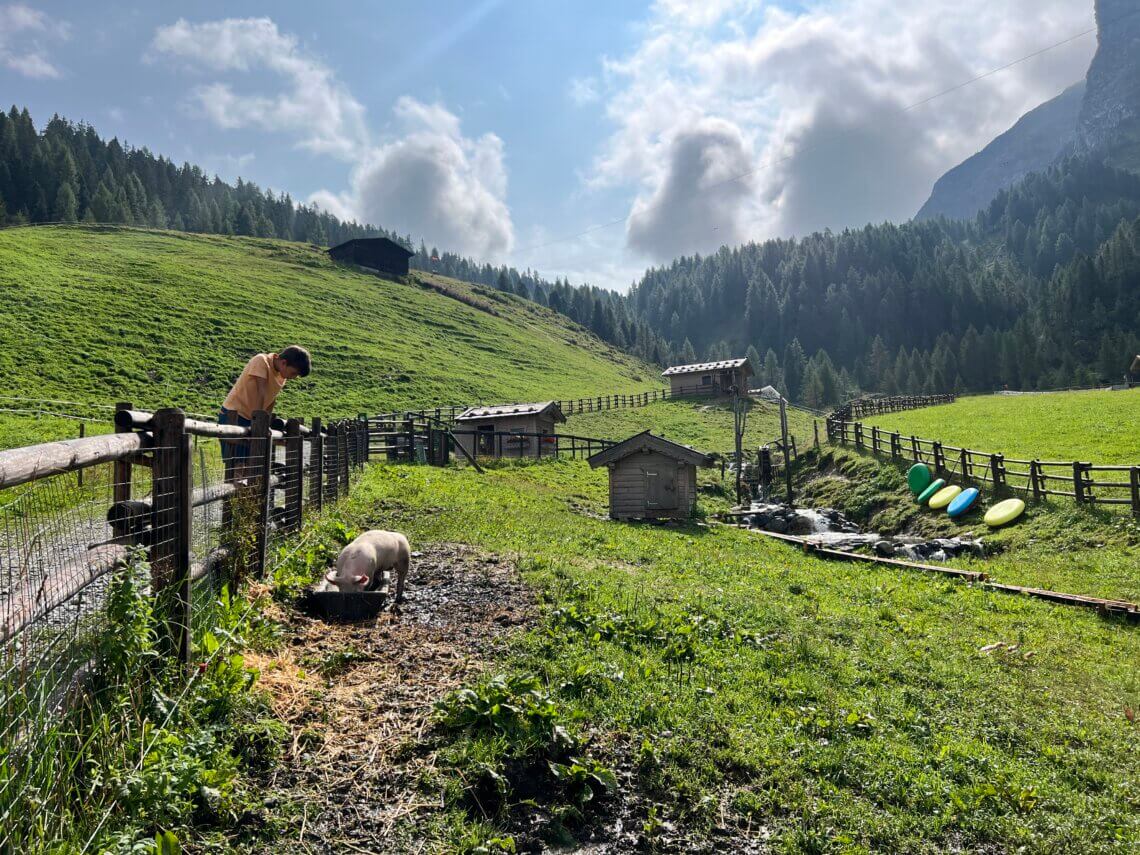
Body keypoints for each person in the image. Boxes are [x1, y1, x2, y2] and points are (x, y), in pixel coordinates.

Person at [220, 346, 311, 479]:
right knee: (237, 466)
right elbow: (261, 393)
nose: (294, 377)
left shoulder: (281, 376)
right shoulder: (261, 361)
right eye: (293, 373)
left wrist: (265, 424)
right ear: (284, 362)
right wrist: (260, 423)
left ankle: (244, 498)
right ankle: (233, 498)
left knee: (250, 465)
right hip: (234, 415)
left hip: (253, 419)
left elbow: (271, 400)